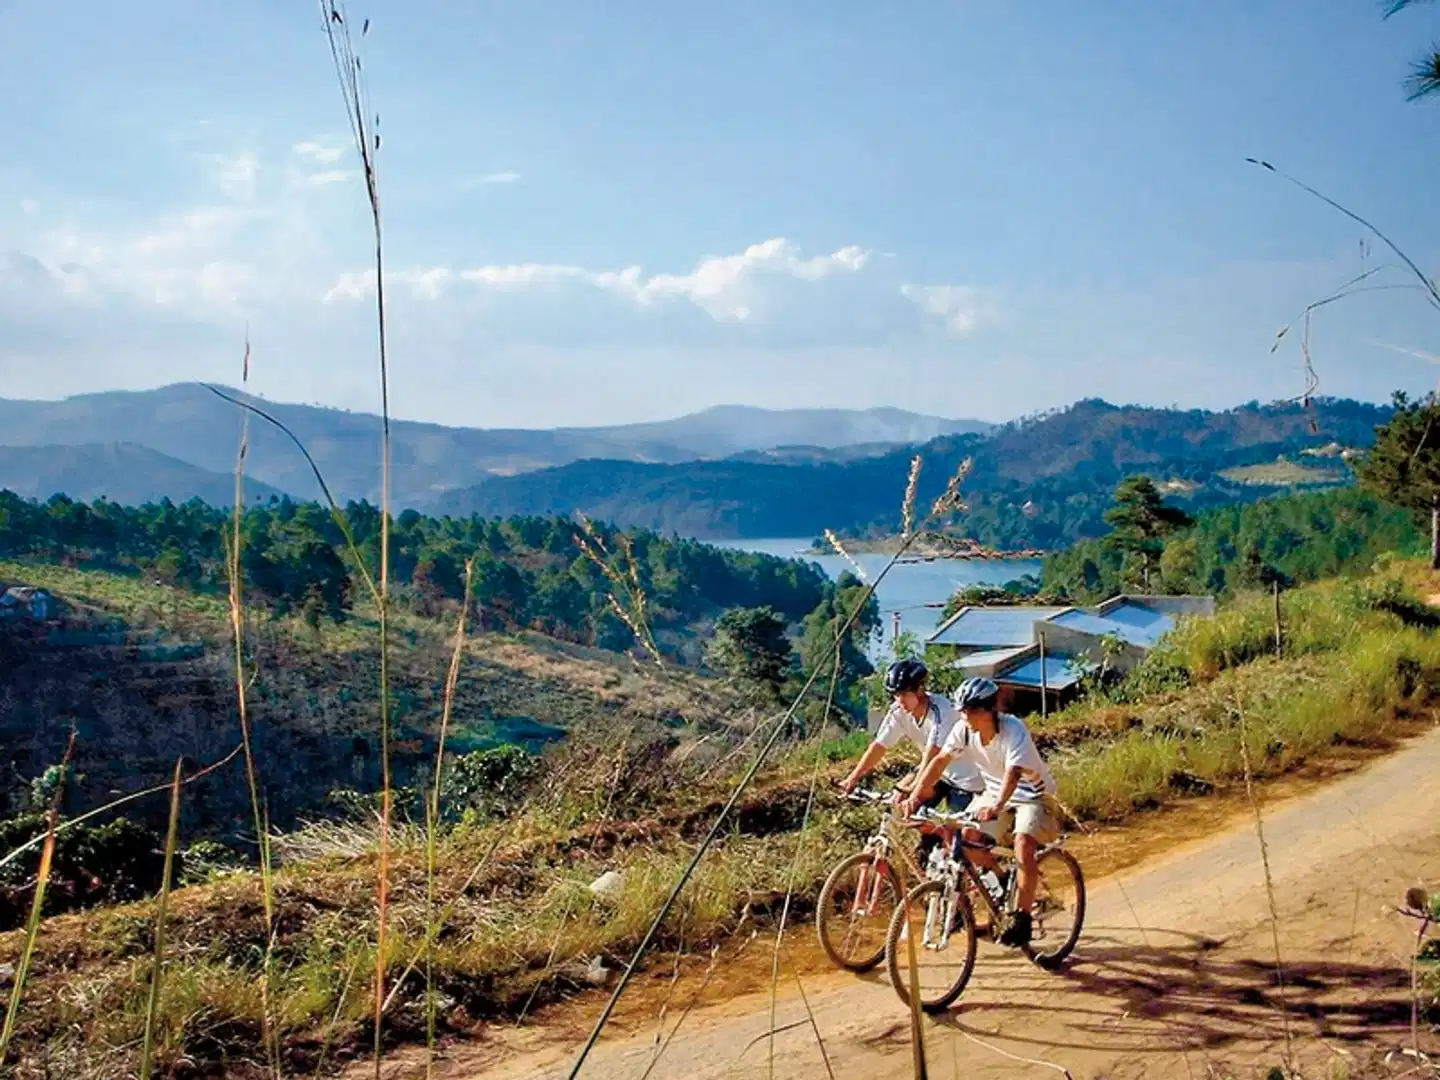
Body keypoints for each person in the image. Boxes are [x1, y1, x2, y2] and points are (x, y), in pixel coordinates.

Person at [902, 676, 1059, 949]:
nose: (964, 716)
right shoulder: (963, 730)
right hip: (993, 796)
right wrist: (916, 797)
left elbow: (1013, 773)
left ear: (988, 710)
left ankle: (1021, 920)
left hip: (1032, 797)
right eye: (962, 710)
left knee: (1023, 842)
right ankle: (1002, 878)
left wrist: (996, 807)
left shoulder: (1013, 729)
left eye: (970, 710)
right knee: (962, 840)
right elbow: (940, 762)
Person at [840, 658, 984, 865]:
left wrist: (914, 792)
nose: (899, 700)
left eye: (904, 694)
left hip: (966, 778)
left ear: (920, 690)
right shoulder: (898, 712)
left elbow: (932, 754)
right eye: (895, 695)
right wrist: (852, 778)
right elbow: (879, 747)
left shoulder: (941, 711)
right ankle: (936, 841)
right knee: (907, 812)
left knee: (960, 847)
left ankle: (977, 875)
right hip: (939, 774)